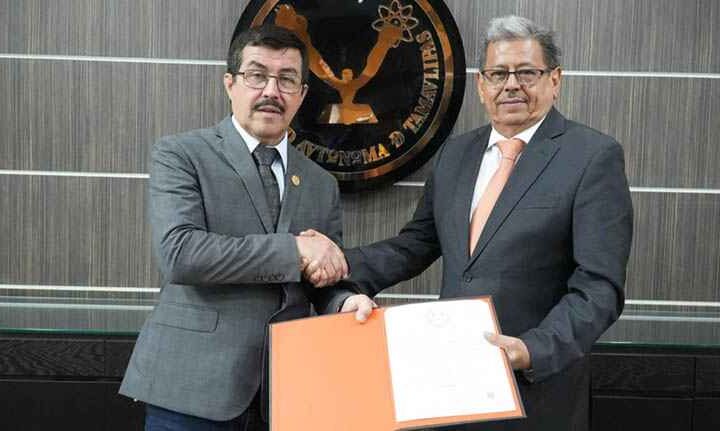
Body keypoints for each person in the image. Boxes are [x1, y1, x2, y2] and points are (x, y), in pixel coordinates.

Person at [314, 15, 633, 431]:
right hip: (453, 387)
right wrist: (336, 264)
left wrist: (531, 350)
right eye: (498, 74)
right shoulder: (456, 154)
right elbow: (416, 244)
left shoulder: (592, 156)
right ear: (482, 85)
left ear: (555, 80)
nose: (511, 85)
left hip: (535, 391)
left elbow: (599, 287)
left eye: (527, 72)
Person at [119, 24, 372, 431]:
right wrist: (294, 250)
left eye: (287, 79)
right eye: (257, 75)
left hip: (285, 395)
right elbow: (182, 255)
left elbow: (318, 278)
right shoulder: (181, 154)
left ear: (302, 94)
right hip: (192, 390)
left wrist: (343, 301)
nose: (272, 91)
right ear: (230, 84)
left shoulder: (321, 183)